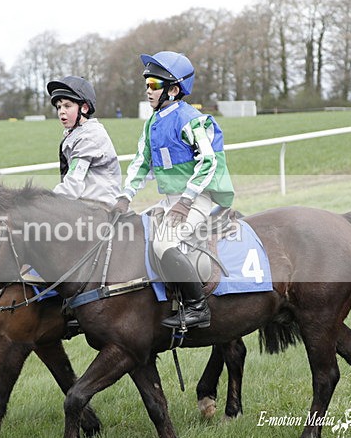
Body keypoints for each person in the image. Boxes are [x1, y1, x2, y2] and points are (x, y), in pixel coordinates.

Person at [112, 51, 235, 329]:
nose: (148, 91)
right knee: (136, 235)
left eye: (154, 85)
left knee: (163, 243)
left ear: (174, 89)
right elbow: (140, 163)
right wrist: (124, 197)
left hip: (199, 198)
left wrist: (186, 201)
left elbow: (208, 162)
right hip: (171, 200)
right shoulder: (152, 124)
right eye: (146, 85)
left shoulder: (192, 120)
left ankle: (197, 308)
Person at [46, 76, 122, 205]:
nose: (61, 112)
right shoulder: (75, 133)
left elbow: (73, 185)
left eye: (67, 106)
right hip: (83, 206)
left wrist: (44, 202)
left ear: (84, 108)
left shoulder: (89, 138)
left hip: (102, 210)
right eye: (58, 107)